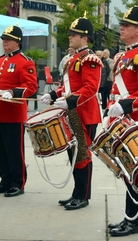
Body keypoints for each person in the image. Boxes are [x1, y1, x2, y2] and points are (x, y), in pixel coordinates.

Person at [105, 1, 138, 237]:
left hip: (135, 122)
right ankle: (131, 218)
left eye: (126, 25)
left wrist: (124, 105)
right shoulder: (122, 55)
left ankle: (134, 220)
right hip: (121, 121)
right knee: (127, 173)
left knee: (134, 173)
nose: (121, 28)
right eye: (122, 25)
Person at [40, 13, 102, 210]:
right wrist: (52, 94)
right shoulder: (72, 58)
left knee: (82, 155)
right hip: (72, 112)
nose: (70, 37)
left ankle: (83, 196)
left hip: (83, 113)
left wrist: (70, 101)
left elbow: (90, 88)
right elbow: (67, 87)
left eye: (74, 34)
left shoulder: (90, 58)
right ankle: (77, 193)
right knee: (73, 155)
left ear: (85, 38)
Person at [0, 25, 38, 197]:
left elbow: (31, 87)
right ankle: (5, 180)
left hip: (13, 114)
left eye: (8, 39)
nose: (4, 42)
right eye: (4, 39)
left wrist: (13, 92)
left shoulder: (25, 61)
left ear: (17, 42)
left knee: (14, 151)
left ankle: (17, 183)